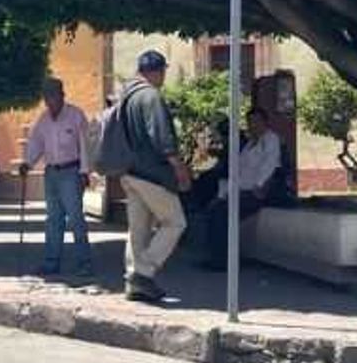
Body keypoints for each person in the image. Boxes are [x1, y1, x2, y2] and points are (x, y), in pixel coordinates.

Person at [119, 50, 192, 303]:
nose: (163, 77)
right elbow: (162, 138)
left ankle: (133, 281)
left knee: (138, 230)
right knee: (176, 222)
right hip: (152, 174)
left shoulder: (126, 97)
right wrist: (179, 169)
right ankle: (143, 272)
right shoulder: (150, 96)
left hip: (129, 172)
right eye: (163, 72)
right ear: (156, 71)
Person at [19, 77, 94, 278]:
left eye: (53, 96)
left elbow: (85, 145)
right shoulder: (43, 120)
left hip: (71, 172)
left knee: (76, 218)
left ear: (62, 95)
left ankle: (84, 262)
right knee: (53, 219)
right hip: (51, 172)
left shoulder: (76, 115)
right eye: (47, 97)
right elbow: (36, 144)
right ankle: (51, 262)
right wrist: (27, 163)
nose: (50, 100)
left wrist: (85, 172)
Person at [204, 107, 282, 269]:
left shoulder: (271, 139)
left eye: (257, 121)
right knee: (214, 208)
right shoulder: (249, 144)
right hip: (241, 189)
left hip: (259, 191)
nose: (253, 125)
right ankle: (217, 256)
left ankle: (223, 261)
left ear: (265, 122)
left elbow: (270, 165)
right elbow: (239, 171)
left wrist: (259, 186)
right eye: (250, 122)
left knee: (222, 212)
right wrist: (226, 192)